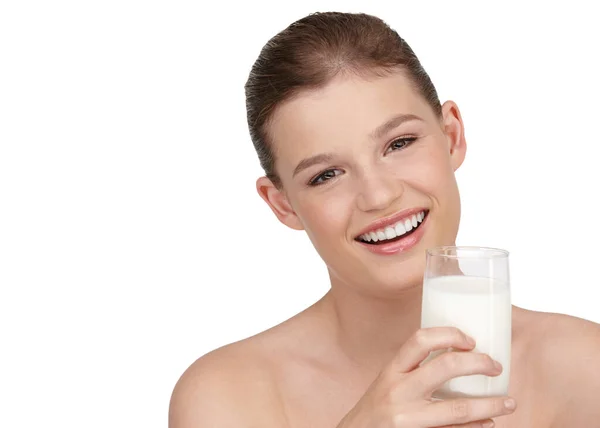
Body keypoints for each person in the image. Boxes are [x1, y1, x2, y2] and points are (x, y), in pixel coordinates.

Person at [169, 11, 600, 428]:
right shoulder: (226, 396)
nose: (379, 195)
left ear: (452, 136)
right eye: (326, 175)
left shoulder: (584, 370)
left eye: (400, 143)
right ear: (282, 204)